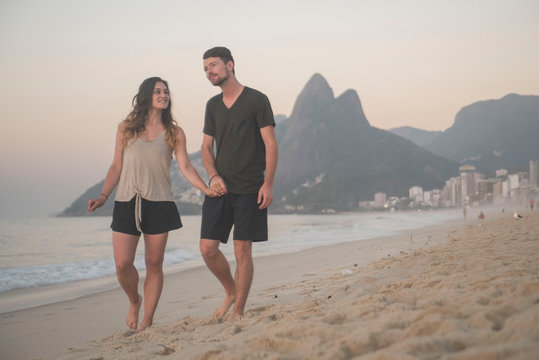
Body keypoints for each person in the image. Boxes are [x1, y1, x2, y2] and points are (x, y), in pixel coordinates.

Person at [87, 77, 217, 332]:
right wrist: (103, 196)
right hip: (126, 202)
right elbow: (116, 165)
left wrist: (206, 188)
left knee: (154, 264)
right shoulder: (126, 128)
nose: (164, 95)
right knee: (123, 264)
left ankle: (147, 321)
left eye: (166, 91)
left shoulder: (174, 133)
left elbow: (185, 167)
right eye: (158, 91)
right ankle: (134, 301)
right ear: (146, 95)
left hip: (159, 203)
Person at [199, 47, 278, 321]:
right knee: (207, 249)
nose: (209, 71)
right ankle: (230, 291)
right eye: (206, 68)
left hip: (250, 188)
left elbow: (271, 144)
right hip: (219, 189)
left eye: (213, 65)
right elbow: (206, 148)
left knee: (242, 250)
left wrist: (268, 184)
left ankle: (239, 310)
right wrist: (213, 176)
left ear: (230, 65)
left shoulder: (257, 100)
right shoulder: (212, 106)